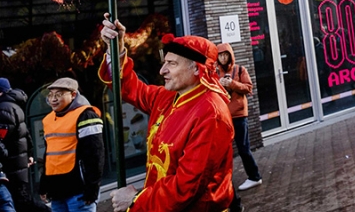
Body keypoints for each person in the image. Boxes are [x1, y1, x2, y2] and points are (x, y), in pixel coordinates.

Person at [99, 14, 234, 212]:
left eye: (172, 64)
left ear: (197, 69)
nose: (162, 71)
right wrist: (116, 49)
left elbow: (187, 187)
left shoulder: (211, 113)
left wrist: (136, 198)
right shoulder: (166, 97)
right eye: (165, 62)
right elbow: (128, 87)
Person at [38, 78, 104, 212]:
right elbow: (49, 155)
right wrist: (44, 186)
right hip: (57, 193)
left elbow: (95, 154)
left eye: (59, 94)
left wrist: (92, 188)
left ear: (73, 95)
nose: (53, 99)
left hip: (79, 192)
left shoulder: (86, 115)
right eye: (50, 95)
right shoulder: (48, 119)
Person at [215, 43, 262, 191]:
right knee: (222, 151)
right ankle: (223, 182)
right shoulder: (215, 73)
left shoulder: (239, 69)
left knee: (243, 148)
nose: (223, 58)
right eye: (220, 55)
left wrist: (232, 83)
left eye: (225, 55)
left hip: (239, 115)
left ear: (230, 56)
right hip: (223, 116)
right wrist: (220, 85)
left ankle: (254, 177)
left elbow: (248, 88)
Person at [0, 78, 44, 212]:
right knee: (23, 201)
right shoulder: (13, 106)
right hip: (18, 163)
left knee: (21, 203)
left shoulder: (3, 109)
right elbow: (26, 133)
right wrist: (29, 153)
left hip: (11, 166)